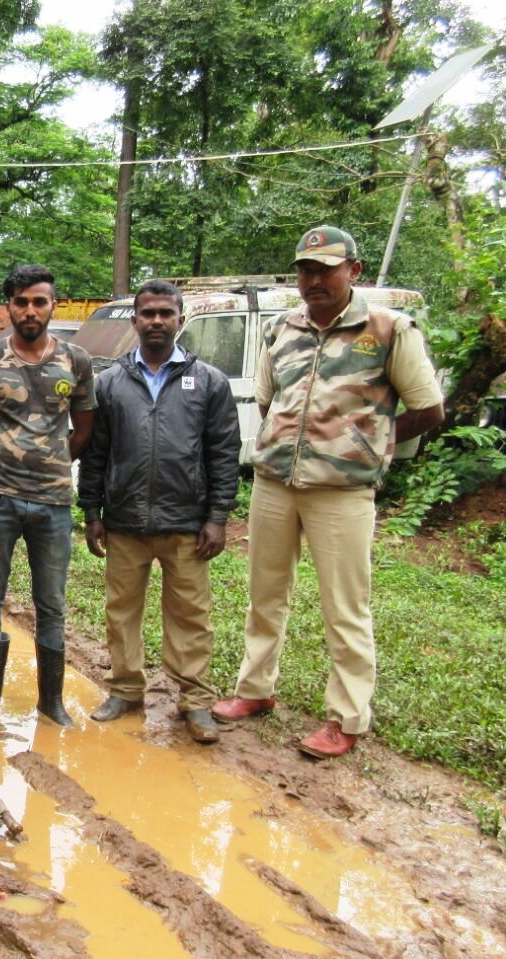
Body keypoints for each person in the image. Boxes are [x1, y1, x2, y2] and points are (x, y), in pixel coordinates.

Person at [212, 226, 444, 758]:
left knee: (345, 608)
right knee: (265, 596)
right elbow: (269, 403)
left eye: (326, 269)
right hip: (275, 485)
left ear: (353, 271)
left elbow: (429, 409)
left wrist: (373, 447)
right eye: (306, 269)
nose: (313, 279)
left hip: (341, 493)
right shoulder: (280, 329)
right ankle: (254, 691)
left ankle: (347, 718)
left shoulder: (388, 329)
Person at [78, 279, 241, 744]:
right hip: (125, 521)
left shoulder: (208, 381)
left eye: (165, 313)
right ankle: (126, 690)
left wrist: (217, 517)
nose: (156, 321)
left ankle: (195, 702)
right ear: (135, 319)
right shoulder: (110, 384)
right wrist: (92, 510)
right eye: (147, 313)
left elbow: (223, 454)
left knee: (191, 615)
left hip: (186, 524)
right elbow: (95, 453)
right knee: (121, 612)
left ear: (179, 319)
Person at [0, 265, 96, 728]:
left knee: (51, 603)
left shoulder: (76, 361)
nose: (30, 310)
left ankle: (51, 701)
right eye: (21, 302)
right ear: (9, 307)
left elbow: (84, 430)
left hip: (53, 504)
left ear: (53, 305)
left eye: (39, 301)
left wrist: (53, 465)